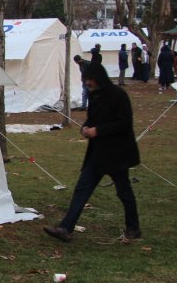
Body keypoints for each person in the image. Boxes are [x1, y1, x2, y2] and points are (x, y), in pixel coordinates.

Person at [43, 63, 141, 243]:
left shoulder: (118, 95)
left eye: (90, 79)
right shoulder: (94, 95)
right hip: (97, 153)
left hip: (117, 153)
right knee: (82, 188)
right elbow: (93, 119)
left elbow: (124, 123)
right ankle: (66, 228)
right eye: (85, 80)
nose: (87, 83)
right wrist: (85, 127)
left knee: (123, 191)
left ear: (99, 78)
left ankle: (133, 227)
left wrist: (98, 131)